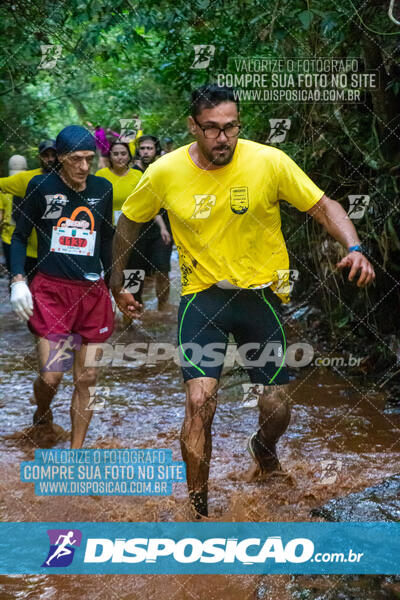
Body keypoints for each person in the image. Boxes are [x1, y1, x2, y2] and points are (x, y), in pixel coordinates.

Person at [110, 84, 375, 518]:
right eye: (211, 129)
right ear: (193, 127)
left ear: (239, 124)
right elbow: (128, 223)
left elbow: (323, 207)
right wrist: (117, 282)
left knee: (277, 404)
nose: (222, 138)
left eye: (230, 127)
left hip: (260, 297)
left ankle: (263, 449)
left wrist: (355, 247)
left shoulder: (269, 162)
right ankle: (199, 513)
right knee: (199, 400)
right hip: (202, 300)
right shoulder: (163, 172)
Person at [9, 125, 115, 449]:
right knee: (52, 375)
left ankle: (75, 456)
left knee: (88, 378)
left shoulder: (103, 188)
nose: (84, 167)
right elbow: (18, 236)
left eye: (89, 159)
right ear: (59, 158)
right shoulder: (40, 187)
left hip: (92, 292)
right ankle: (43, 411)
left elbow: (106, 239)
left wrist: (112, 288)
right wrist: (17, 281)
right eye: (76, 160)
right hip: (51, 292)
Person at [0, 140, 58, 282]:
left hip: (57, 253)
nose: (50, 159)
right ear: (39, 157)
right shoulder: (28, 178)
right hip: (30, 252)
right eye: (46, 155)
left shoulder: (70, 179)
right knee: (23, 292)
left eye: (53, 155)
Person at [126, 135, 172, 310]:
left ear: (156, 151)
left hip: (162, 228)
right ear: (138, 151)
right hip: (138, 228)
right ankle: (132, 309)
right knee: (134, 271)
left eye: (149, 148)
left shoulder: (162, 171)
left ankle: (163, 308)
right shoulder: (132, 174)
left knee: (162, 268)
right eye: (143, 148)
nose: (145, 152)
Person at [96, 141, 142, 224]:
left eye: (123, 154)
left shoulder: (138, 175)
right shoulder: (101, 175)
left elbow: (142, 202)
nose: (120, 157)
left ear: (129, 157)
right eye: (115, 154)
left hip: (132, 224)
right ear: (110, 157)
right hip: (105, 225)